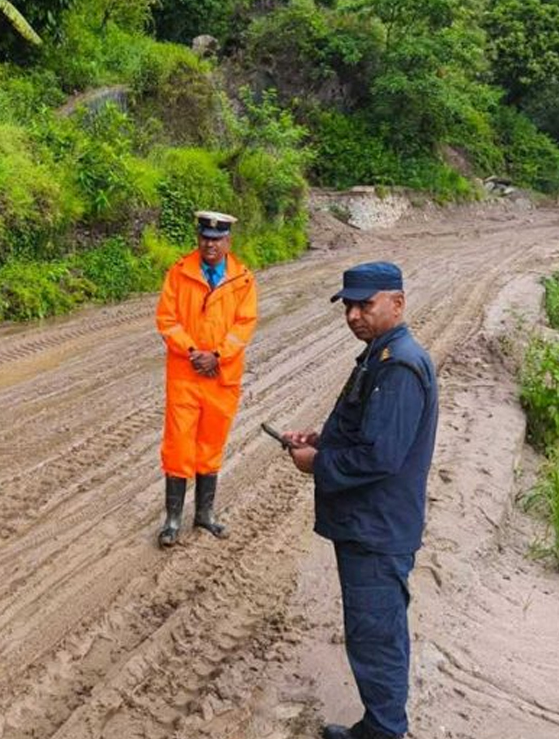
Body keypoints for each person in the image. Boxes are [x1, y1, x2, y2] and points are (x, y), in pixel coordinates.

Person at [280, 261, 438, 739]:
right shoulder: (381, 355)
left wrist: (316, 463)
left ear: (397, 303)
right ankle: (381, 724)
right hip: (373, 524)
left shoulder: (399, 366)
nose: (353, 315)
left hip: (377, 529)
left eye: (365, 304)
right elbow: (366, 431)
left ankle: (385, 731)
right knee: (376, 630)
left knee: (376, 635)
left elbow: (378, 456)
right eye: (348, 305)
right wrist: (321, 439)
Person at [154, 210, 259, 548]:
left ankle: (204, 513)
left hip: (221, 376)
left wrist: (217, 355)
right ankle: (172, 519)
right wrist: (191, 351)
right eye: (204, 238)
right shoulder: (179, 273)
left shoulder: (243, 280)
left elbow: (244, 325)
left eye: (216, 239)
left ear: (228, 241)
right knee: (178, 444)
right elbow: (167, 320)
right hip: (185, 374)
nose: (209, 244)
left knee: (211, 444)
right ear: (198, 238)